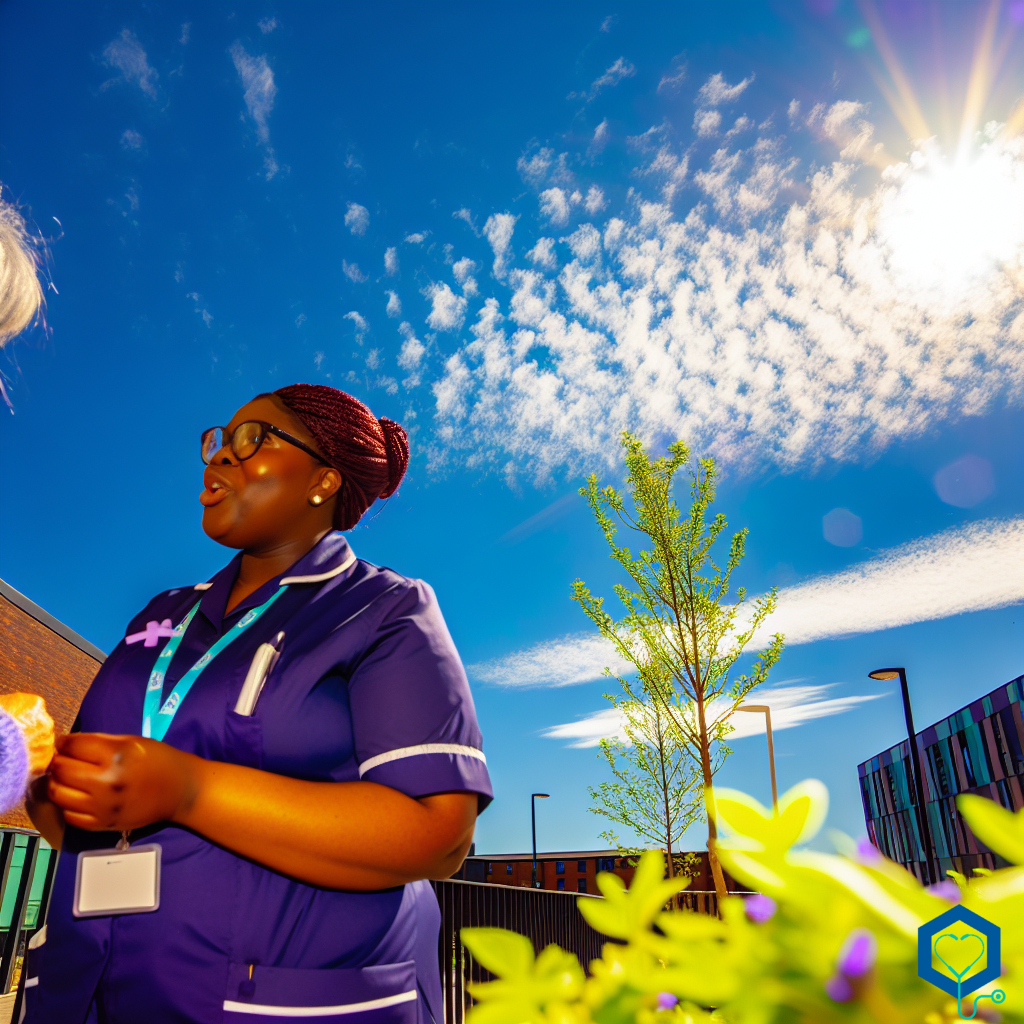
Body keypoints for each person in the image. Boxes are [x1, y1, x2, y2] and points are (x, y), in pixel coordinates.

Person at [25, 384, 492, 1024]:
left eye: (252, 440)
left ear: (322, 482)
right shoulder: (158, 615)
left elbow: (438, 834)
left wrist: (187, 789)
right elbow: (79, 816)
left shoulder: (385, 610)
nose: (218, 457)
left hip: (286, 1003)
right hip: (82, 995)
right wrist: (44, 780)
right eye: (218, 441)